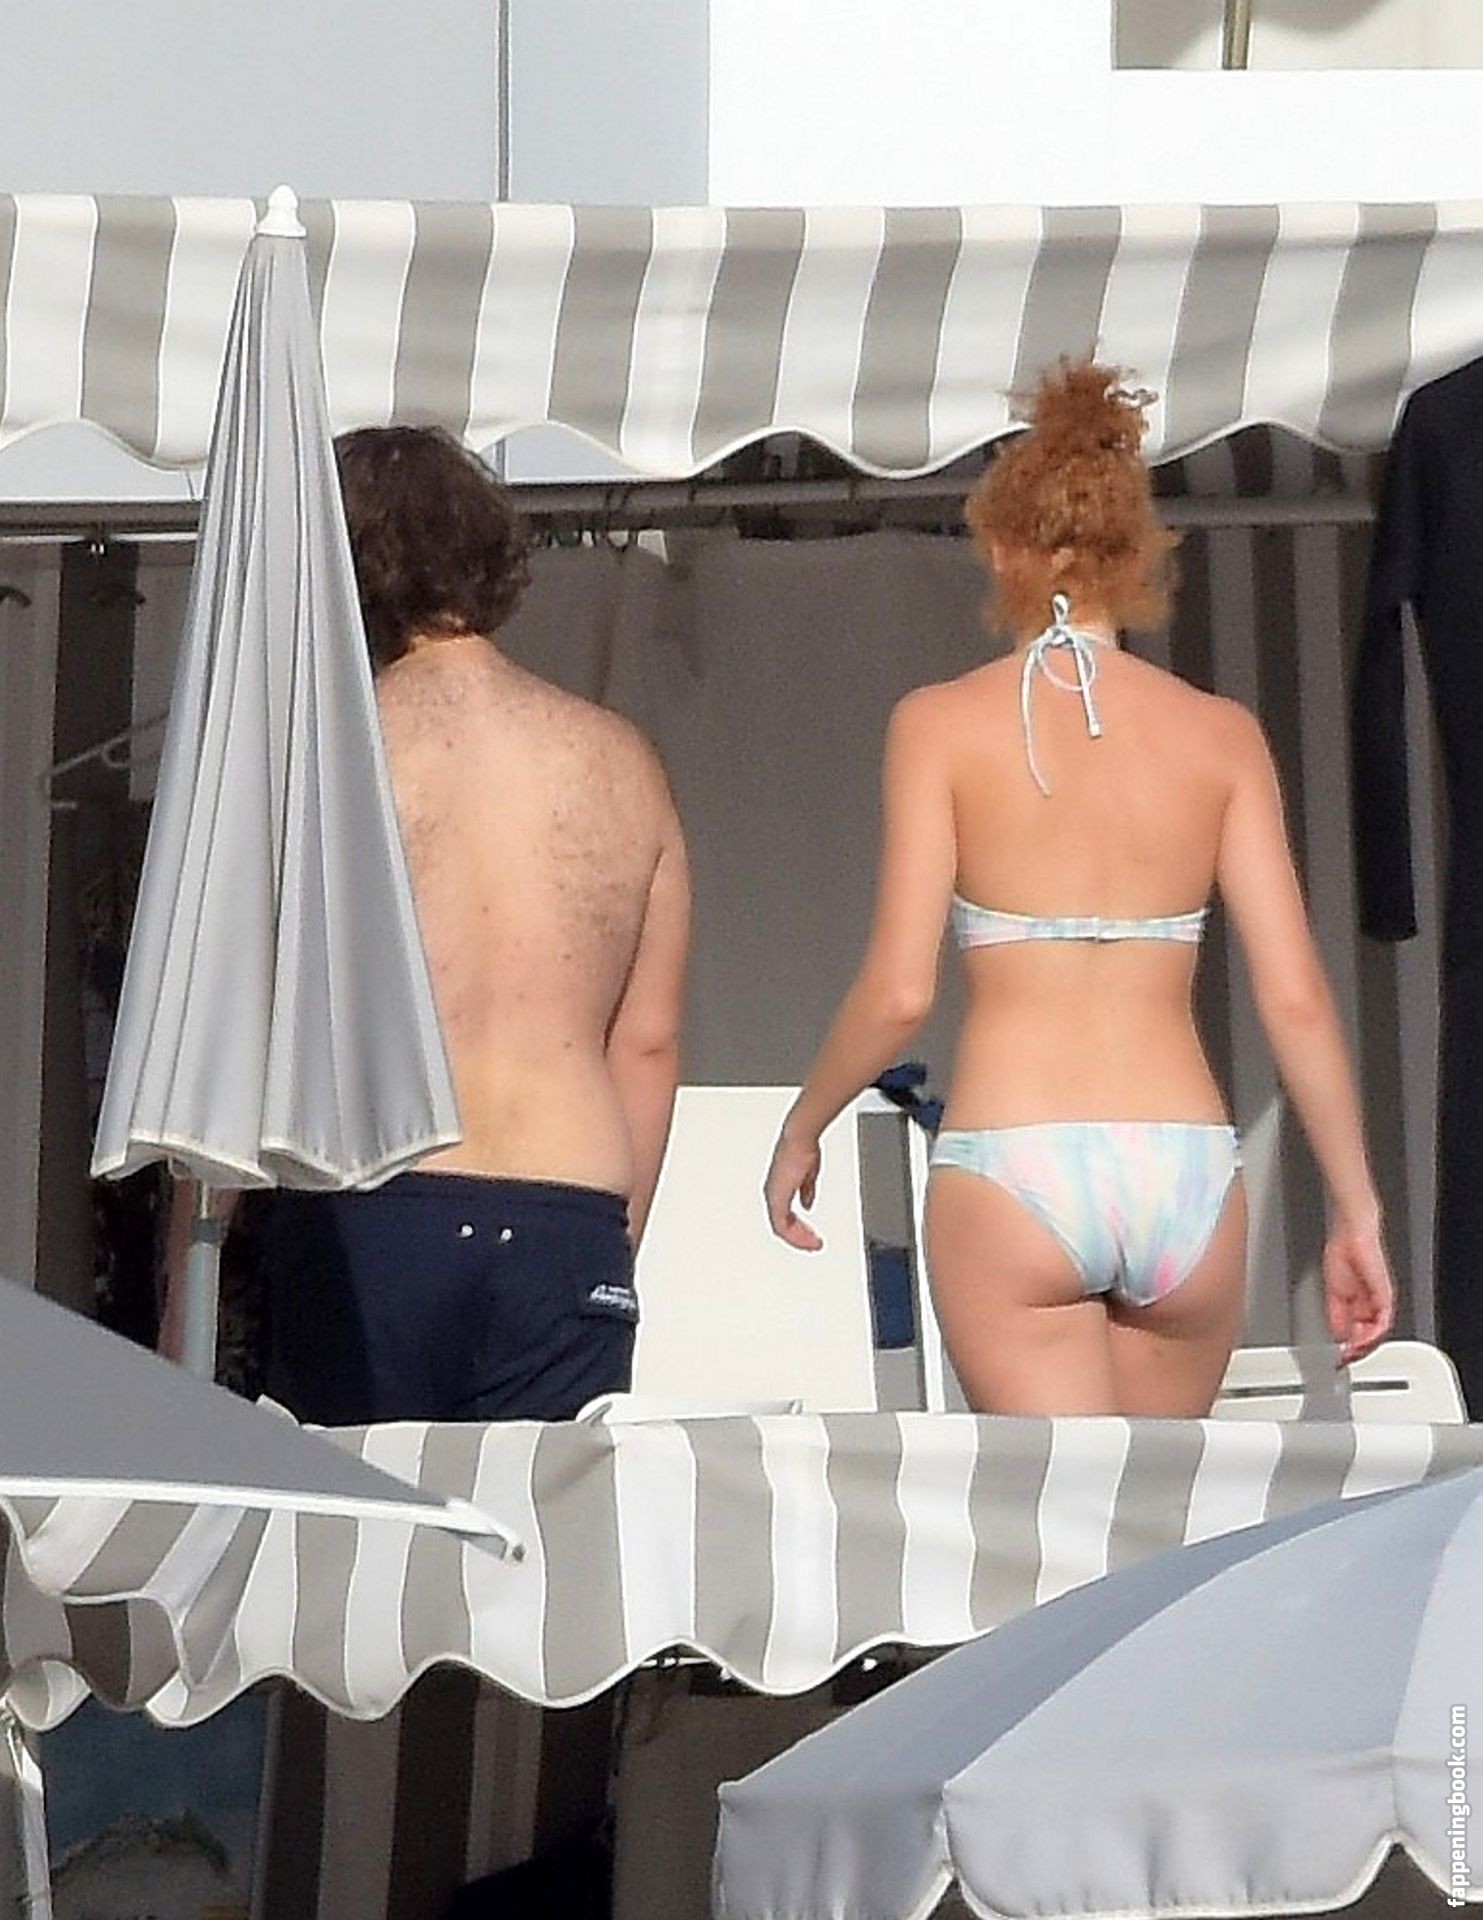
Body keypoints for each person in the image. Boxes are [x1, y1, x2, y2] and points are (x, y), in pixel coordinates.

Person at [763, 360, 1394, 1416]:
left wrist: (802, 1127)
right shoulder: (1220, 736)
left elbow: (900, 994)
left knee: (1051, 1513)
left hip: (1017, 1160)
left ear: (998, 549)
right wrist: (1356, 1209)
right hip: (1184, 1171)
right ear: (1136, 555)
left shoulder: (939, 725)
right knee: (1163, 1516)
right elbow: (1293, 999)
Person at [163, 427, 690, 1424]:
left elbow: (230, 1044)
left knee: (360, 1519)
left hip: (379, 1201)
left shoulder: (318, 761)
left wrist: (184, 1296)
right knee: (534, 1519)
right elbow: (648, 1043)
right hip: (568, 1208)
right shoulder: (621, 762)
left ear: (338, 569)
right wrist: (604, 1248)